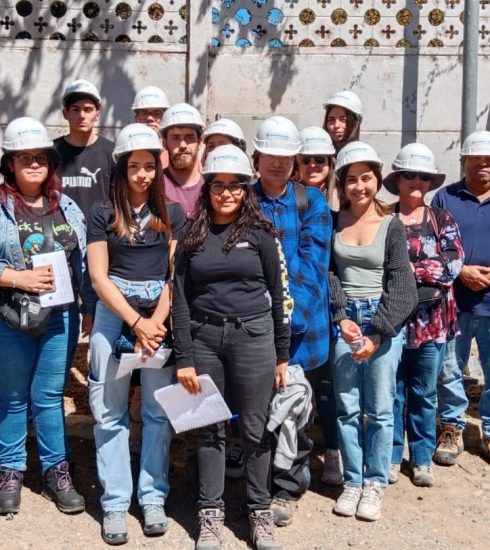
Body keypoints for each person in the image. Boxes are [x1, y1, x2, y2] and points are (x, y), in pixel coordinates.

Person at [173, 144, 290, 550]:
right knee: (209, 430)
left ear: (246, 189)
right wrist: (185, 357)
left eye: (235, 186)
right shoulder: (191, 236)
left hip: (254, 339)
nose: (226, 193)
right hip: (205, 340)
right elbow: (181, 300)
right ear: (206, 189)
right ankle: (211, 515)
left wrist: (281, 354)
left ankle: (259, 513)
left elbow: (280, 296)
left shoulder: (260, 235)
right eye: (218, 185)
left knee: (256, 430)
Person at [87, 123, 185, 544]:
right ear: (122, 169)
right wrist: (135, 322)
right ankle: (114, 503)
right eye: (135, 166)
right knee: (109, 413)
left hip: (158, 319)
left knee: (158, 413)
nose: (143, 174)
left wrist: (156, 322)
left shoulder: (173, 214)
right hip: (116, 315)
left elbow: (174, 275)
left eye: (150, 166)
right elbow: (97, 277)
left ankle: (152, 497)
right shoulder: (102, 213)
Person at [0, 117, 86, 515]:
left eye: (41, 157)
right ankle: (11, 471)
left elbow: (84, 259)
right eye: (24, 157)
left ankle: (56, 471)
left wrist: (85, 304)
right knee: (14, 399)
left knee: (49, 398)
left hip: (60, 317)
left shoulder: (65, 205)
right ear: (11, 164)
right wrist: (17, 276)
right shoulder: (1, 205)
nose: (34, 164)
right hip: (11, 316)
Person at [329, 141, 417, 521]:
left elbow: (403, 284)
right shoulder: (335, 221)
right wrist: (339, 316)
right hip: (346, 320)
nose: (359, 186)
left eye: (366, 178)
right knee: (347, 407)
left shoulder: (392, 224)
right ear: (342, 184)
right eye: (351, 179)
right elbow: (329, 273)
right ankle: (352, 479)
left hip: (381, 319)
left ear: (377, 180)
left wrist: (379, 332)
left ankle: (375, 482)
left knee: (380, 409)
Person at [252, 116, 332, 526]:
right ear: (257, 156)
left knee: (296, 413)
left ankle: (288, 487)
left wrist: (282, 324)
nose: (278, 164)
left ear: (295, 160)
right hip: (253, 330)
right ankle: (258, 485)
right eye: (271, 155)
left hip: (301, 331)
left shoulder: (310, 202)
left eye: (286, 157)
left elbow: (312, 268)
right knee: (258, 411)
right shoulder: (243, 199)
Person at [383, 143, 464, 487]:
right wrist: (418, 269)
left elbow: (452, 265)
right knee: (392, 391)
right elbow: (377, 267)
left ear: (430, 183)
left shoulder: (441, 219)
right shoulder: (383, 217)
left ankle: (420, 458)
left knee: (424, 392)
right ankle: (389, 457)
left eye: (423, 176)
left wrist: (406, 268)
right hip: (392, 320)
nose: (416, 181)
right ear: (398, 180)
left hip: (432, 323)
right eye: (409, 175)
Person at [432, 130, 490, 464]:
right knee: (449, 368)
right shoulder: (446, 198)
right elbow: (435, 246)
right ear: (463, 161)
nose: (483, 165)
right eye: (475, 159)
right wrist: (462, 270)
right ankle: (451, 428)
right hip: (454, 301)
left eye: (488, 160)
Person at [296, 125, 341, 484]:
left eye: (320, 160)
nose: (313, 165)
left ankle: (333, 452)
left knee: (327, 387)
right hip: (300, 305)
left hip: (330, 309)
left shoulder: (339, 202)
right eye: (306, 159)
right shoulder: (293, 200)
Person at [54, 78, 115, 334]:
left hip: (99, 244)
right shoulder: (51, 152)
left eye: (88, 109)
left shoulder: (111, 153)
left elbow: (117, 200)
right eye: (76, 109)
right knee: (61, 316)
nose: (82, 115)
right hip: (60, 245)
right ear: (65, 112)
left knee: (100, 312)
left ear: (98, 113)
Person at [161, 102, 205, 219]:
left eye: (189, 137)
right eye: (175, 138)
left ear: (200, 142)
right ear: (164, 143)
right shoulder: (154, 185)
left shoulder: (211, 187)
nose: (183, 145)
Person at [322, 90, 362, 155]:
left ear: (355, 123)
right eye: (331, 120)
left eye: (343, 120)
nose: (336, 125)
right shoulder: (319, 157)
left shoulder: (361, 156)